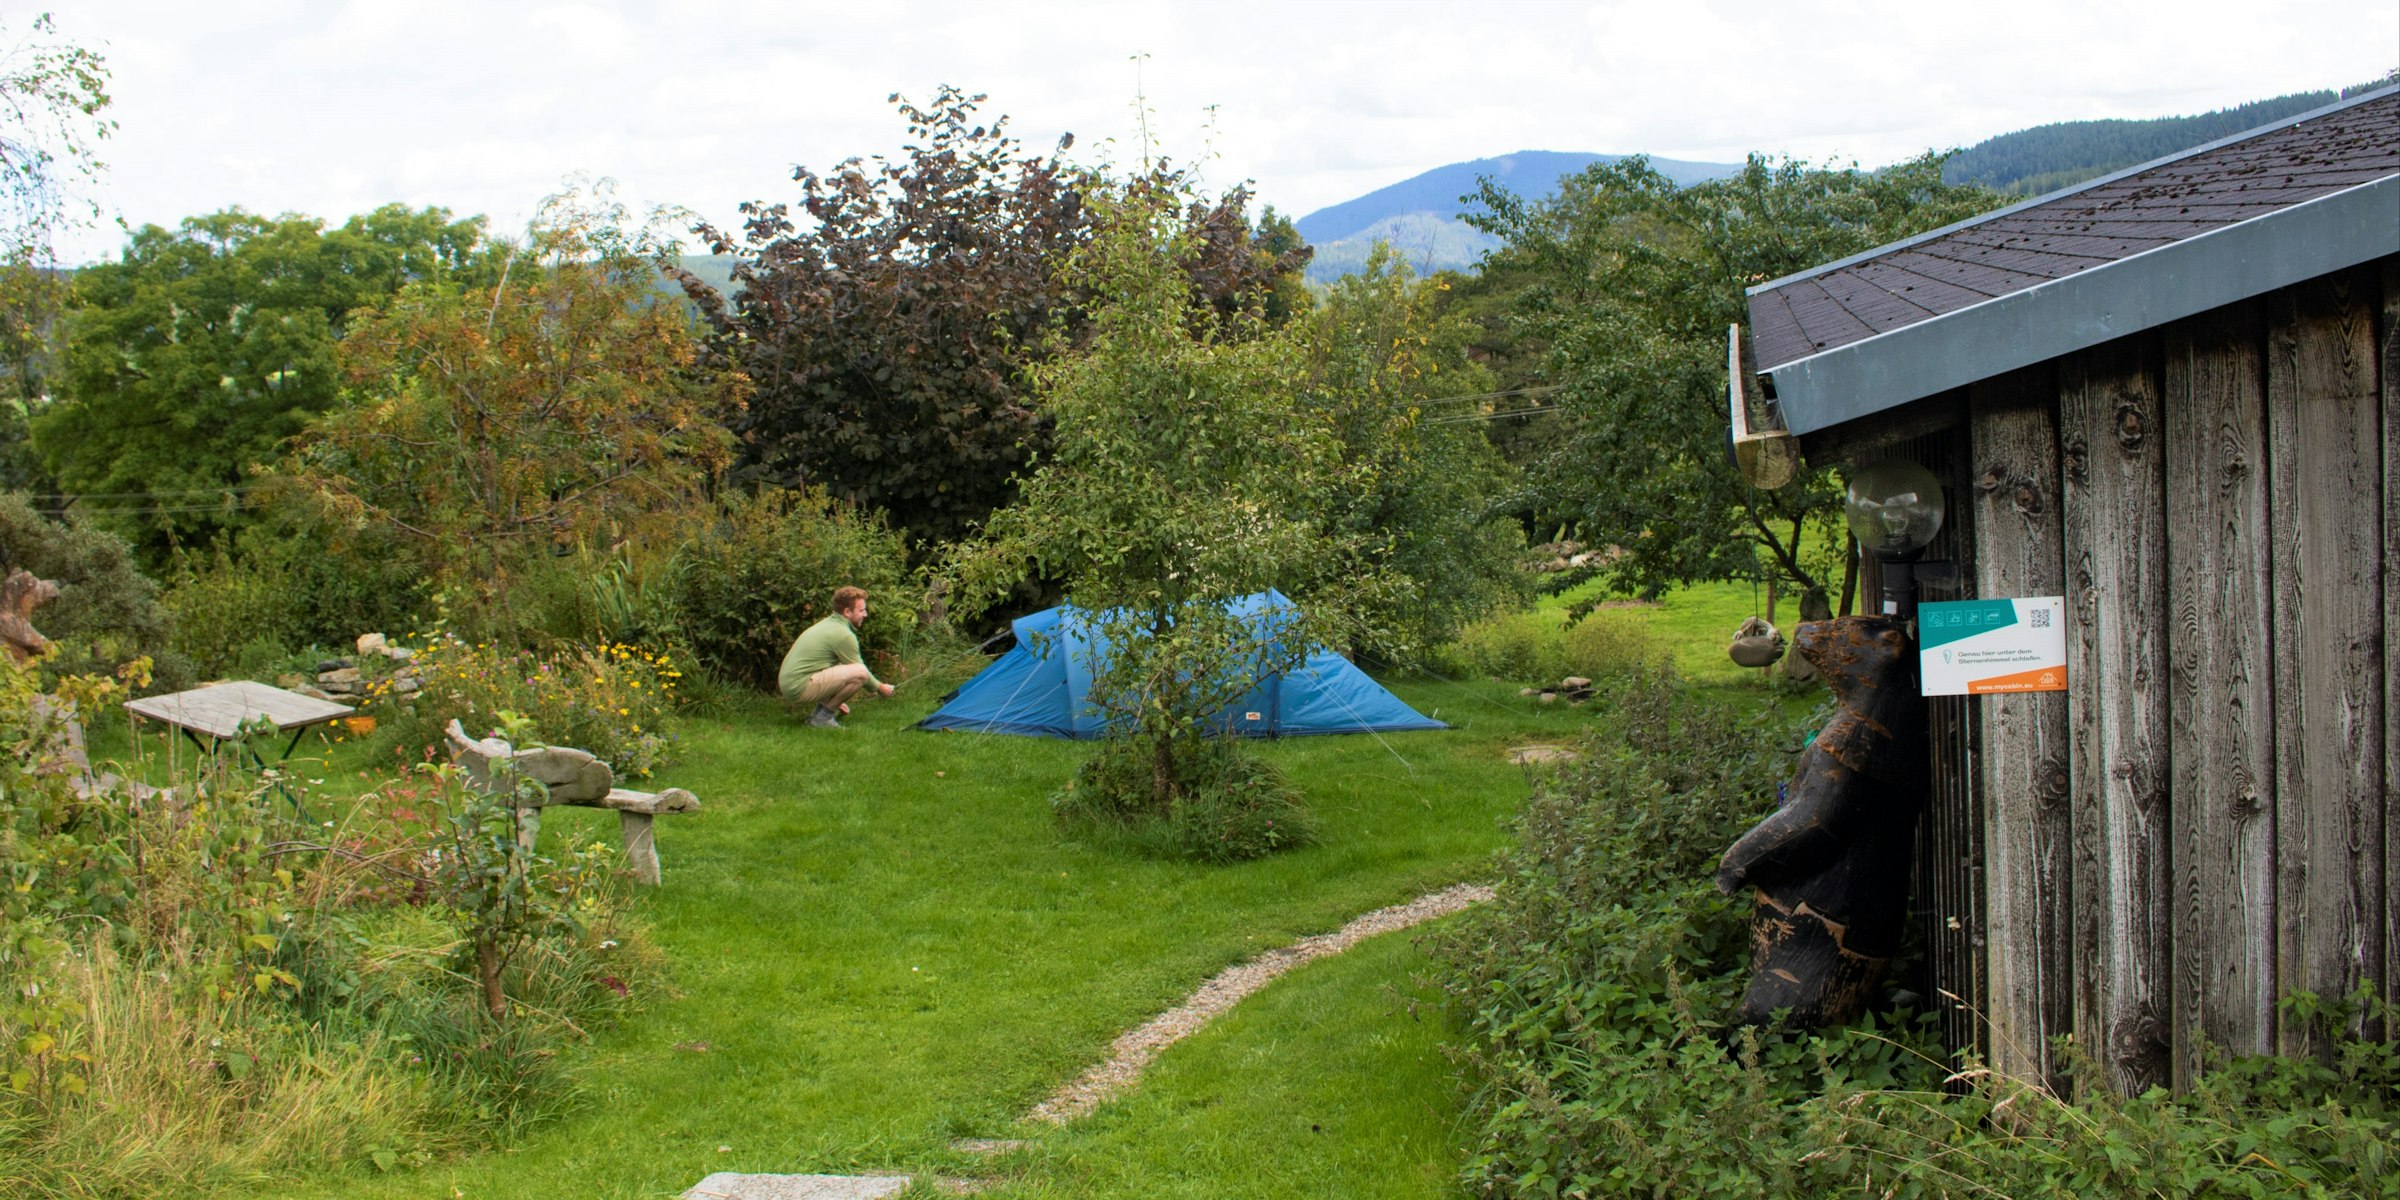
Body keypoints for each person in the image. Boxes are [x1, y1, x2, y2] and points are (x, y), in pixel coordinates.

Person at [777, 586, 894, 728]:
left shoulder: (828, 623)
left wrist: (833, 699)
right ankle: (823, 719)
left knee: (845, 667)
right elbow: (859, 671)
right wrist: (881, 688)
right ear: (847, 612)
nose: (866, 615)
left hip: (790, 683)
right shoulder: (843, 635)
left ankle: (817, 715)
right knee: (860, 672)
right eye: (861, 610)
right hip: (798, 687)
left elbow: (831, 667)